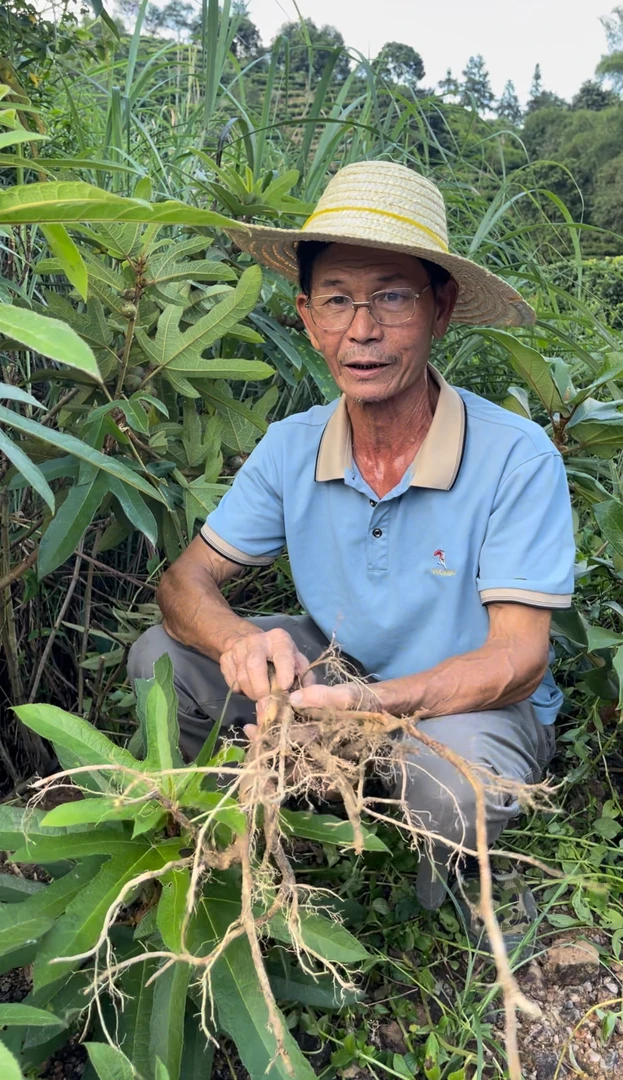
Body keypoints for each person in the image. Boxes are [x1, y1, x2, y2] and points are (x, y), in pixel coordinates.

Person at [128, 160, 575, 912]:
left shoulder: (514, 455)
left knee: (451, 778)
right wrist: (238, 643)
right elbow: (183, 583)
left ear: (441, 308)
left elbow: (518, 661)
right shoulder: (291, 446)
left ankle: (460, 899)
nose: (361, 331)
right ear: (307, 318)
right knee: (162, 657)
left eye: (391, 298)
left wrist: (373, 707)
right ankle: (219, 848)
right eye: (337, 300)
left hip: (468, 707)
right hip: (340, 676)